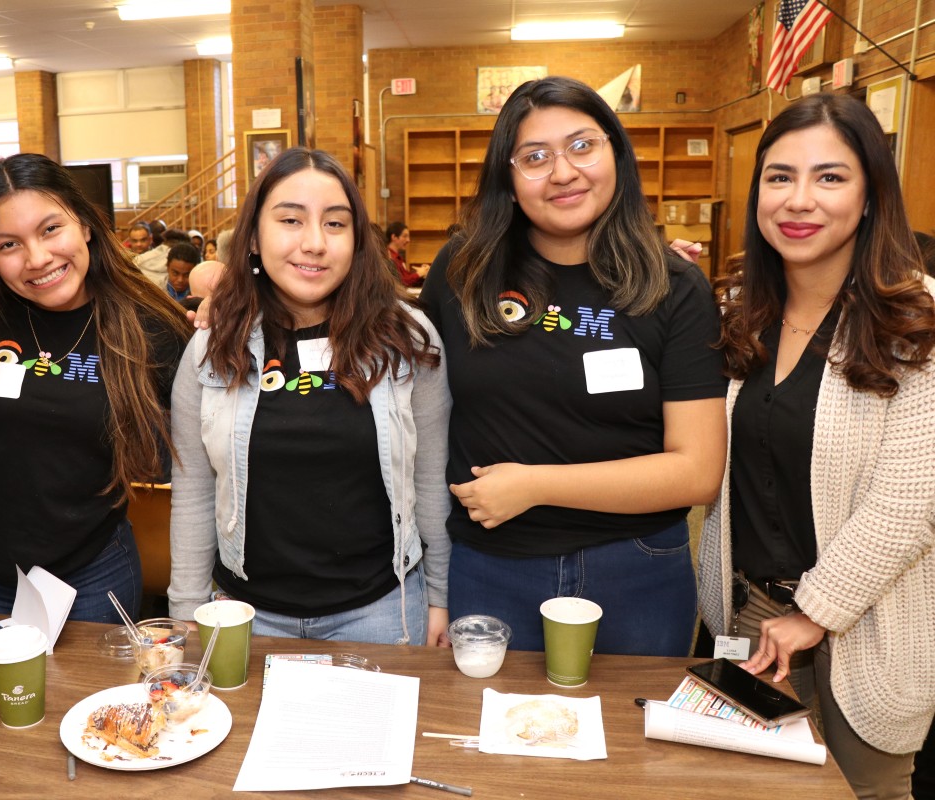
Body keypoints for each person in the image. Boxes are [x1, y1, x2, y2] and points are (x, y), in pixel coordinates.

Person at [419, 76, 727, 656]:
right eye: (534, 157)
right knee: (493, 741)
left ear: (616, 152)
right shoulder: (462, 272)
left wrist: (535, 485)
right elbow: (383, 347)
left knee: (630, 745)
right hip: (491, 563)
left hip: (636, 567)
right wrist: (236, 306)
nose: (563, 172)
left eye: (583, 146)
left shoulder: (674, 286)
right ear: (507, 180)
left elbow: (698, 471)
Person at [699, 93, 935, 800]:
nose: (799, 200)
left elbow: (910, 503)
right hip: (749, 620)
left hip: (868, 627)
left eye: (830, 177)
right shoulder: (745, 313)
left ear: (870, 196)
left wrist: (813, 614)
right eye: (780, 177)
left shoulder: (915, 316)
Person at [169, 147, 451, 645]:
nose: (315, 243)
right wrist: (187, 609)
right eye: (291, 220)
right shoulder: (211, 349)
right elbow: (192, 493)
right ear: (254, 237)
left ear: (358, 240)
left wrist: (441, 598)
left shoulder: (408, 340)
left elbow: (431, 480)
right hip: (244, 616)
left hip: (382, 611)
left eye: (336, 224)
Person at [0, 153, 191, 623]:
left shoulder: (150, 327)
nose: (37, 258)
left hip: (92, 574)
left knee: (93, 697)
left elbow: (210, 447)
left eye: (50, 229)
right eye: (8, 245)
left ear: (84, 224)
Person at [385, 221, 427, 288]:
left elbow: (406, 277)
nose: (408, 240)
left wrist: (423, 272)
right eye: (405, 236)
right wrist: (419, 273)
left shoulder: (398, 258)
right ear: (394, 237)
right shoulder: (388, 257)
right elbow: (400, 282)